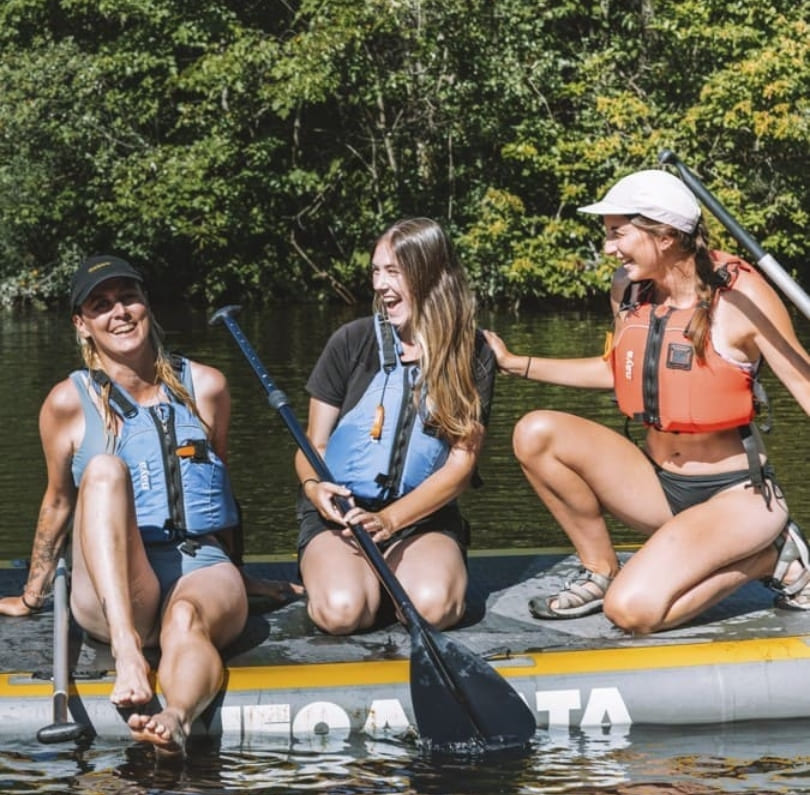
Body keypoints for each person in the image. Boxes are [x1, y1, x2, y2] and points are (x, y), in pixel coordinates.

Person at [483, 168, 810, 633]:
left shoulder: (741, 298)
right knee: (536, 433)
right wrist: (517, 364)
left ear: (666, 236)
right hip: (657, 486)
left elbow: (802, 383)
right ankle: (600, 569)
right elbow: (619, 372)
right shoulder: (629, 289)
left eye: (618, 233)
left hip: (738, 496)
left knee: (631, 611)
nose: (608, 248)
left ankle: (771, 555)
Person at [0, 255, 250, 755]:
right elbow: (58, 502)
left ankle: (175, 718)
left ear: (146, 304)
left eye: (128, 298)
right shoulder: (66, 403)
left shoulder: (208, 387)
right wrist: (32, 595)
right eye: (101, 305)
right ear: (82, 324)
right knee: (104, 470)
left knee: (186, 619)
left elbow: (219, 488)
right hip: (118, 590)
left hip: (198, 563)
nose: (119, 312)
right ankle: (128, 652)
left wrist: (243, 576)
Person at [295, 217, 495, 635]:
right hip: (342, 519)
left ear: (431, 275)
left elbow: (460, 467)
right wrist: (315, 490)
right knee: (342, 612)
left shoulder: (473, 352)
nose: (380, 285)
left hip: (423, 520)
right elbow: (311, 445)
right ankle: (356, 580)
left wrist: (389, 520)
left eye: (393, 272)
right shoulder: (351, 341)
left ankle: (395, 578)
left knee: (434, 609)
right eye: (376, 271)